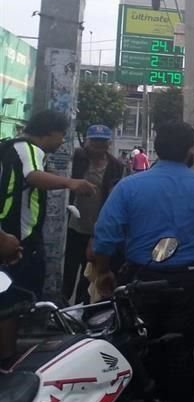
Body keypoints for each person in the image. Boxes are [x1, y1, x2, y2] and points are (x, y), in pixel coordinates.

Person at [92, 121, 194, 402]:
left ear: (156, 147)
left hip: (139, 280)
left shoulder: (129, 186)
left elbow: (104, 237)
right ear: (191, 150)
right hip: (187, 282)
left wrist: (103, 273)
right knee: (180, 355)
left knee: (137, 353)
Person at [0, 110, 96, 368]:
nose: (61, 142)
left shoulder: (12, 147)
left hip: (12, 236)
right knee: (12, 302)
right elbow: (32, 176)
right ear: (49, 132)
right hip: (16, 238)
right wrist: (71, 183)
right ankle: (9, 361)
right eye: (61, 135)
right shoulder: (28, 148)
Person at [62, 124, 126, 304]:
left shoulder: (116, 166)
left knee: (89, 276)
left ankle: (81, 310)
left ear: (108, 143)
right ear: (87, 141)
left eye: (103, 141)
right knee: (67, 271)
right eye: (95, 141)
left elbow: (114, 198)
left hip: (97, 229)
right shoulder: (75, 158)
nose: (98, 145)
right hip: (72, 227)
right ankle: (60, 308)